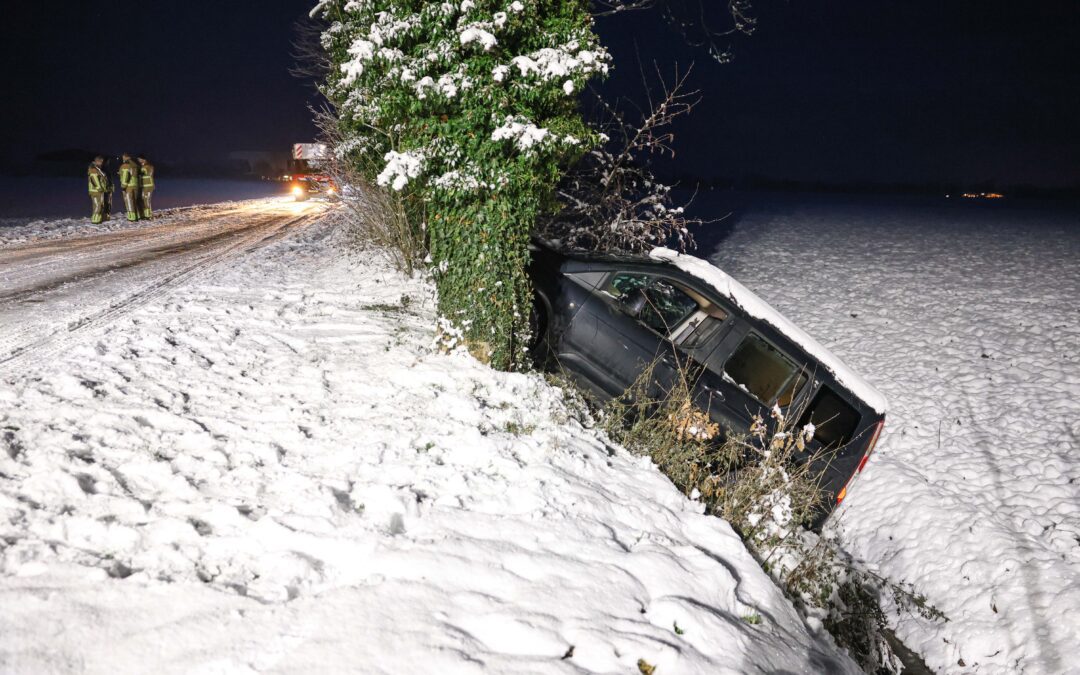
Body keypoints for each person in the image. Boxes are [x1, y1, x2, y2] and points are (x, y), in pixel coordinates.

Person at [87, 155, 109, 224]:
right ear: (97, 161)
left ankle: (98, 219)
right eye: (101, 161)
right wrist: (99, 188)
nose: (102, 163)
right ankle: (95, 220)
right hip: (96, 191)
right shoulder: (93, 169)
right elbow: (94, 180)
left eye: (102, 162)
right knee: (97, 205)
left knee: (99, 205)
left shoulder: (97, 169)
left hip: (99, 190)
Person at [118, 152, 140, 221]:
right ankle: (138, 216)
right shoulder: (135, 164)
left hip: (129, 186)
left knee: (129, 202)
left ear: (126, 157)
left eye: (123, 157)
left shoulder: (125, 165)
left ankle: (132, 217)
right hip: (135, 185)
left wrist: (123, 186)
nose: (123, 159)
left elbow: (125, 176)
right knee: (135, 201)